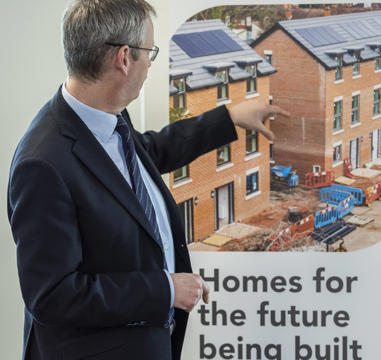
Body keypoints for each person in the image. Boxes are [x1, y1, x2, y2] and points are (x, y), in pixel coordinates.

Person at [6, 0, 288, 359]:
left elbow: (147, 153)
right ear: (124, 58)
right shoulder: (42, 165)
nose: (151, 63)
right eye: (150, 52)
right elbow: (53, 295)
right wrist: (164, 290)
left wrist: (229, 118)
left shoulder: (104, 119)